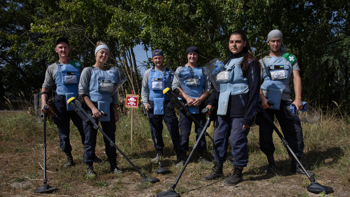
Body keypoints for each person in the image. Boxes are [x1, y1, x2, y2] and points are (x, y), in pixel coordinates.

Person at [203, 30, 260, 185]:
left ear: (244, 43)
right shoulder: (225, 63)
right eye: (231, 42)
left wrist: (249, 115)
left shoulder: (250, 62)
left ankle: (238, 171)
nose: (234, 45)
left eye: (238, 42)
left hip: (240, 108)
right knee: (219, 138)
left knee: (236, 140)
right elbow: (218, 87)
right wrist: (210, 103)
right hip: (222, 107)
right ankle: (218, 169)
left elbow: (254, 90)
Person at [256, 29, 314, 176]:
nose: (275, 43)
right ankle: (271, 163)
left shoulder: (290, 58)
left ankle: (297, 164)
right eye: (272, 41)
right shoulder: (262, 61)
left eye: (278, 40)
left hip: (286, 100)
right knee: (265, 132)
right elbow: (256, 83)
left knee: (294, 130)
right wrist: (261, 99)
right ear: (268, 43)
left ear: (281, 41)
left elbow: (296, 78)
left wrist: (298, 99)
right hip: (266, 101)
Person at [41, 37, 101, 168]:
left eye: (65, 47)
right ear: (56, 50)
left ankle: (90, 154)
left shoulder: (78, 65)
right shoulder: (52, 68)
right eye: (60, 47)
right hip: (60, 102)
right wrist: (43, 103)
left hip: (78, 101)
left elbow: (87, 83)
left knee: (86, 129)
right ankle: (69, 157)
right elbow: (45, 87)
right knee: (63, 132)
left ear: (69, 49)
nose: (63, 50)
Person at [78, 41, 123, 178]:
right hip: (91, 108)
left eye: (106, 53)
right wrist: (93, 109)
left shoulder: (110, 73)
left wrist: (115, 110)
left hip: (108, 108)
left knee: (110, 137)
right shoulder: (88, 71)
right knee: (90, 138)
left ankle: (113, 165)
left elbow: (114, 93)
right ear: (96, 54)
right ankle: (89, 167)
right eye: (101, 52)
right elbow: (82, 93)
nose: (104, 55)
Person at [172, 46, 212, 166]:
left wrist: (200, 99)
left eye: (195, 54)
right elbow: (175, 86)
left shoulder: (203, 70)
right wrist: (187, 98)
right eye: (190, 54)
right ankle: (183, 157)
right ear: (187, 56)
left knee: (201, 132)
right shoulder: (180, 69)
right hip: (185, 106)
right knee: (184, 132)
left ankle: (201, 155)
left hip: (200, 106)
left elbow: (208, 88)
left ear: (197, 56)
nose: (192, 56)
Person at [141, 49, 182, 164]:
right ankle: (159, 151)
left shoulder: (170, 72)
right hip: (152, 104)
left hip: (167, 104)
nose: (158, 60)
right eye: (156, 58)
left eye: (160, 58)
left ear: (163, 58)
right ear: (153, 60)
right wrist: (145, 103)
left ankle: (179, 153)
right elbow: (144, 89)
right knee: (155, 130)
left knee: (173, 128)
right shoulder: (148, 73)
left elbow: (176, 86)